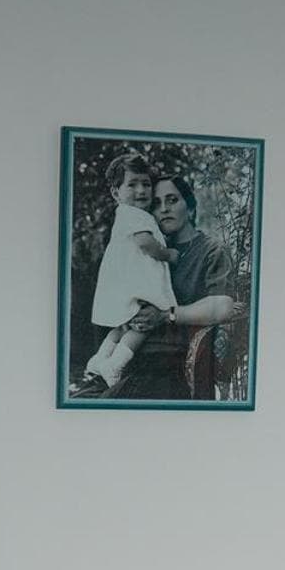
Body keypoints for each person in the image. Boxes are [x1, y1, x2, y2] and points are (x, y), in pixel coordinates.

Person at [97, 174, 239, 401]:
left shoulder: (211, 250)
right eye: (156, 203)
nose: (164, 209)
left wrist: (165, 315)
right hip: (128, 358)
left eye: (172, 200)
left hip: (171, 365)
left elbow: (223, 306)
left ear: (190, 208)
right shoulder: (149, 251)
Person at [73, 153, 178, 394]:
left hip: (126, 280)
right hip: (135, 283)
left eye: (146, 184)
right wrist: (168, 254)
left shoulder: (128, 214)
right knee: (142, 325)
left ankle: (100, 358)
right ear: (115, 192)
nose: (141, 190)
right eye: (132, 184)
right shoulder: (134, 215)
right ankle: (115, 364)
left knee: (123, 326)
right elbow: (146, 244)